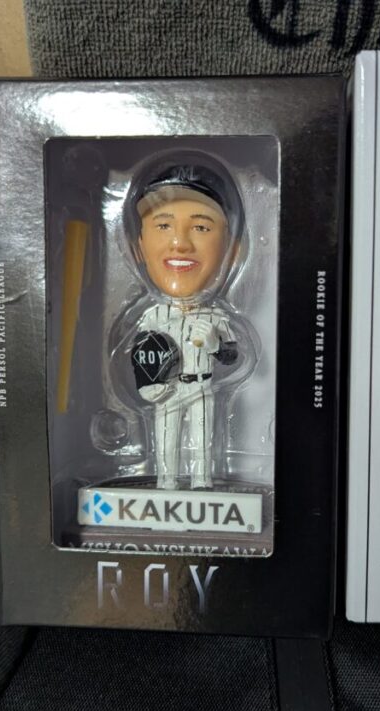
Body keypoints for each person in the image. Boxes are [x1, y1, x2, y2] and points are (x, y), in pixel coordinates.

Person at [124, 154, 245, 490]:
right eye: (163, 225)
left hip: (202, 387)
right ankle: (166, 485)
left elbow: (232, 356)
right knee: (166, 441)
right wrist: (147, 386)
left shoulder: (216, 316)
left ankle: (202, 485)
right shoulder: (153, 314)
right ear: (139, 246)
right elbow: (142, 353)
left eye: (201, 227)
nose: (179, 242)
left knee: (203, 440)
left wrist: (216, 344)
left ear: (232, 250)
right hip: (167, 391)